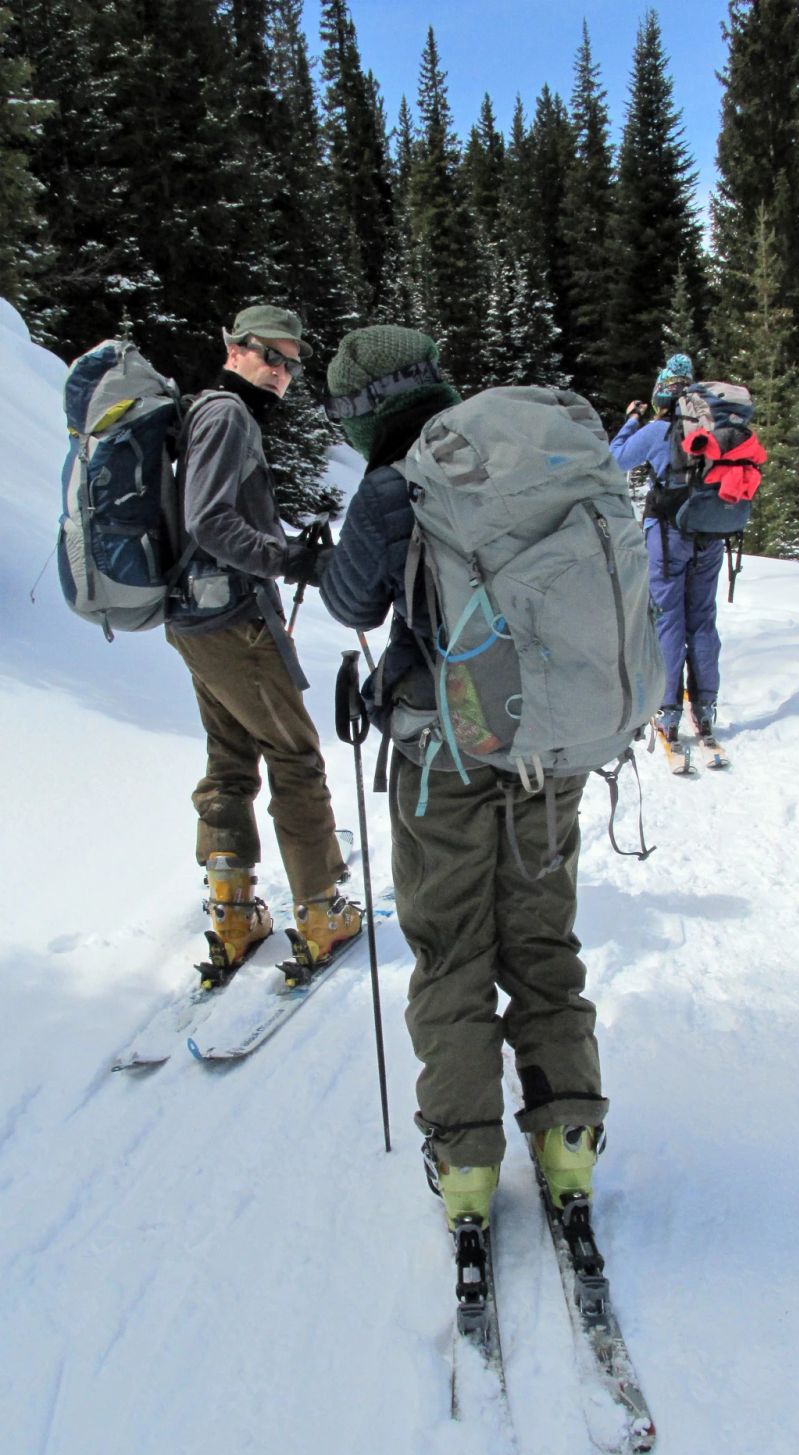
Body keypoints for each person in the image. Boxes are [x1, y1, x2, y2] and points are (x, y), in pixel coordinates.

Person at [314, 325, 609, 1232]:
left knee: (452, 954)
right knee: (543, 944)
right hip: (551, 751)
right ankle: (569, 1143)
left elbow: (351, 602)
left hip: (443, 756)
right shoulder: (523, 448)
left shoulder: (390, 484)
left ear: (360, 415)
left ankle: (469, 1168)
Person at [165, 303, 360, 977]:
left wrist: (279, 545)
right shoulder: (226, 415)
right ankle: (320, 912)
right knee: (297, 755)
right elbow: (211, 523)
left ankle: (234, 911)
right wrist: (291, 561)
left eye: (290, 362)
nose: (279, 370)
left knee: (230, 757)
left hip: (195, 620)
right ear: (234, 347)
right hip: (232, 622)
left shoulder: (204, 413)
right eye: (268, 354)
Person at [609, 353, 723, 741]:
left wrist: (631, 419)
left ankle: (668, 709)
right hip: (710, 534)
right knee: (702, 618)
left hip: (668, 535)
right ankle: (706, 707)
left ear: (661, 395)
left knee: (668, 618)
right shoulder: (716, 426)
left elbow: (613, 460)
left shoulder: (659, 430)